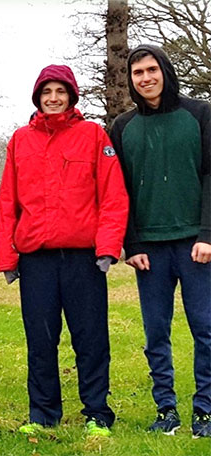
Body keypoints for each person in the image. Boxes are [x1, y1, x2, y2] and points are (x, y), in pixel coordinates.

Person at [0, 65, 129, 437]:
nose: (53, 98)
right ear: (37, 97)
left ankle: (97, 413)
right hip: (37, 259)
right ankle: (42, 414)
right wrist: (7, 258)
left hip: (84, 259)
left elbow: (113, 196)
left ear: (71, 95)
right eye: (46, 91)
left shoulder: (92, 136)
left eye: (60, 91)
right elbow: (7, 203)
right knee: (40, 339)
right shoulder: (21, 140)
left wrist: (107, 248)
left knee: (91, 337)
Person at [109, 44, 211, 438]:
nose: (146, 78)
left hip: (196, 246)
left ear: (165, 71)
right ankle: (165, 408)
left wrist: (207, 234)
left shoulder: (199, 113)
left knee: (205, 328)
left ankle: (204, 410)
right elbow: (120, 191)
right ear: (131, 81)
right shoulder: (123, 127)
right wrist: (131, 245)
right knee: (156, 332)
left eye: (152, 70)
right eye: (138, 73)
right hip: (149, 249)